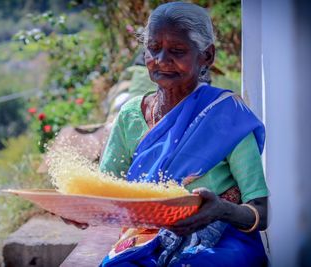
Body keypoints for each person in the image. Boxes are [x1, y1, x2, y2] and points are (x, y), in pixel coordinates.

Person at [99, 2, 269, 266]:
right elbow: (105, 194)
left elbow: (260, 211)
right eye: (153, 49)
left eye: (177, 51)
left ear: (207, 56)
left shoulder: (226, 115)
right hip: (147, 238)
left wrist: (220, 211)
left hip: (221, 240)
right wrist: (80, 210)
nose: (162, 60)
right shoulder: (130, 115)